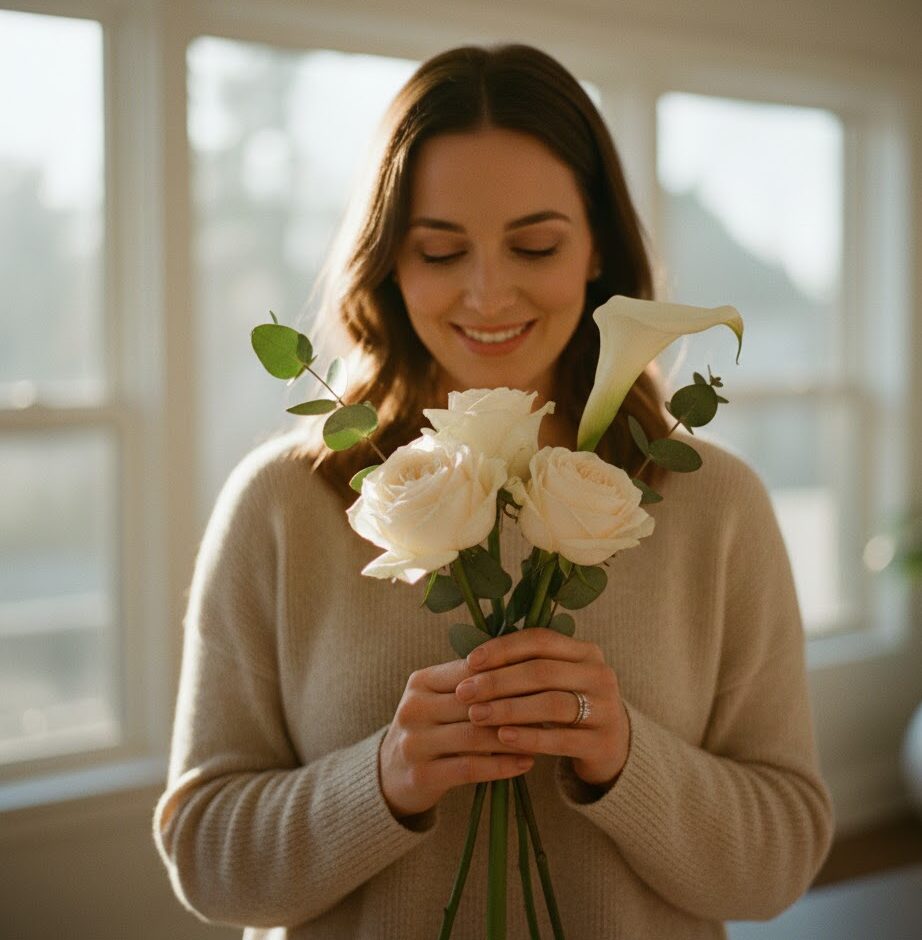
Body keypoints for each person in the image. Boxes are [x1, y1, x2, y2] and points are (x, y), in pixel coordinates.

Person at [154, 43, 834, 939]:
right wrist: (385, 778)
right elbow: (208, 859)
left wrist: (628, 760)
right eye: (440, 250)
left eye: (535, 244)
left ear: (598, 247)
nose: (486, 293)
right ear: (390, 263)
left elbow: (779, 861)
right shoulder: (283, 507)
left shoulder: (718, 509)